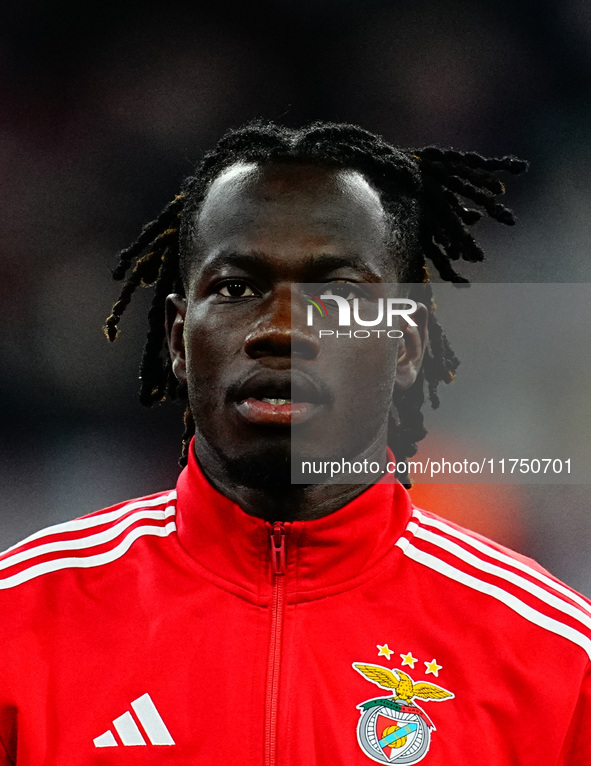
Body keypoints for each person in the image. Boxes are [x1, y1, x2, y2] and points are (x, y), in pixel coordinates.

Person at [0, 121, 588, 765]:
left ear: (407, 346)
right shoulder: (22, 621)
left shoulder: (554, 662)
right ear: (176, 340)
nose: (282, 330)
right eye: (236, 288)